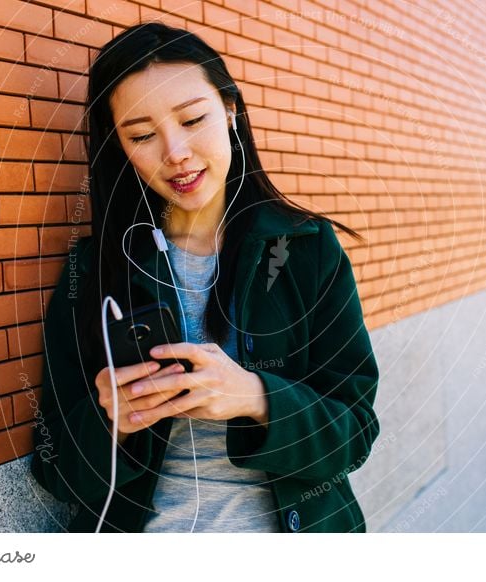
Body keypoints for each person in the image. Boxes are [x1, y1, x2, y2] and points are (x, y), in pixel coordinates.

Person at [30, 21, 380, 533]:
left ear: (231, 111)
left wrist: (253, 396)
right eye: (142, 135)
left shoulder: (306, 249)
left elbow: (354, 434)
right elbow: (53, 466)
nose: (175, 153)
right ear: (120, 148)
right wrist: (111, 422)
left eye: (193, 119)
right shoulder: (94, 268)